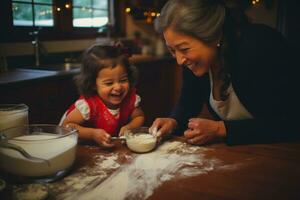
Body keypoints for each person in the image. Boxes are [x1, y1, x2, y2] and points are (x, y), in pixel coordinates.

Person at [149, 0, 300, 145]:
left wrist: (221, 129)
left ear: (212, 35)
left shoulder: (261, 47)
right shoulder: (193, 61)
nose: (179, 60)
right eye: (172, 50)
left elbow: (291, 123)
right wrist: (173, 121)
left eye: (184, 49)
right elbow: (188, 102)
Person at [61, 44, 145, 147]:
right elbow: (66, 126)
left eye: (123, 80)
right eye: (109, 83)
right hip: (76, 143)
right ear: (93, 85)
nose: (118, 87)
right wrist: (92, 134)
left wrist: (130, 127)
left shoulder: (130, 99)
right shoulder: (88, 105)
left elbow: (139, 117)